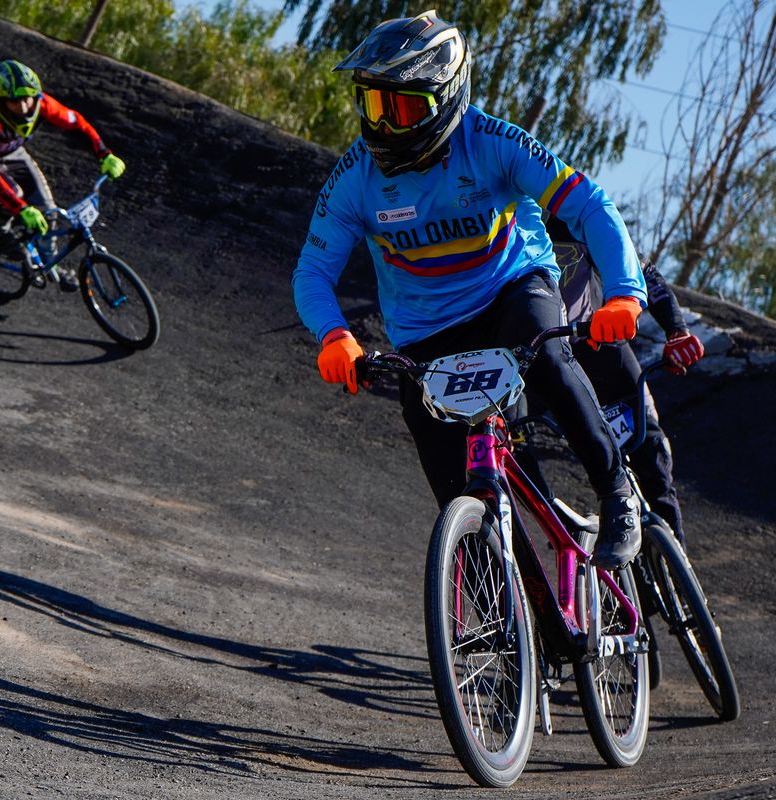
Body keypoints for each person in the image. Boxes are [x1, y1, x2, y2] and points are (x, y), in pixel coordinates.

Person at [291, 11, 648, 568]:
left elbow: (590, 206)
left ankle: (615, 489)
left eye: (402, 107)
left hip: (511, 288)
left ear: (448, 97)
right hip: (427, 330)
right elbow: (312, 272)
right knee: (453, 493)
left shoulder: (493, 142)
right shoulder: (356, 176)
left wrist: (625, 294)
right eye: (373, 104)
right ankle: (505, 616)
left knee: (546, 354)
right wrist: (334, 335)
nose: (383, 125)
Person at [548, 215, 704, 546]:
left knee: (651, 459)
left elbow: (642, 272)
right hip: (545, 365)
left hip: (602, 353)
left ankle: (677, 570)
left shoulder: (574, 215)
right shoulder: (498, 217)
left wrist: (677, 331)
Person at [0, 59, 125, 292]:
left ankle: (52, 266)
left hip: (11, 149)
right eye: (15, 101)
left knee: (47, 208)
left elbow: (76, 123)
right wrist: (22, 208)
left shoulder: (42, 103)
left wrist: (104, 154)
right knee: (14, 194)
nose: (23, 107)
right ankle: (0, 234)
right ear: (1, 99)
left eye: (27, 99)